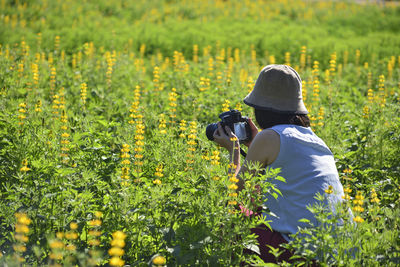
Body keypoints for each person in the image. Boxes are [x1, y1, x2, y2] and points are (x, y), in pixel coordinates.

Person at [212, 64, 345, 263]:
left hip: (301, 254)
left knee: (231, 213)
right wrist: (256, 143)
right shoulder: (315, 139)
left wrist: (234, 152)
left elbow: (235, 193)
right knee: (257, 205)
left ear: (260, 109)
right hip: (337, 252)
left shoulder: (270, 138)